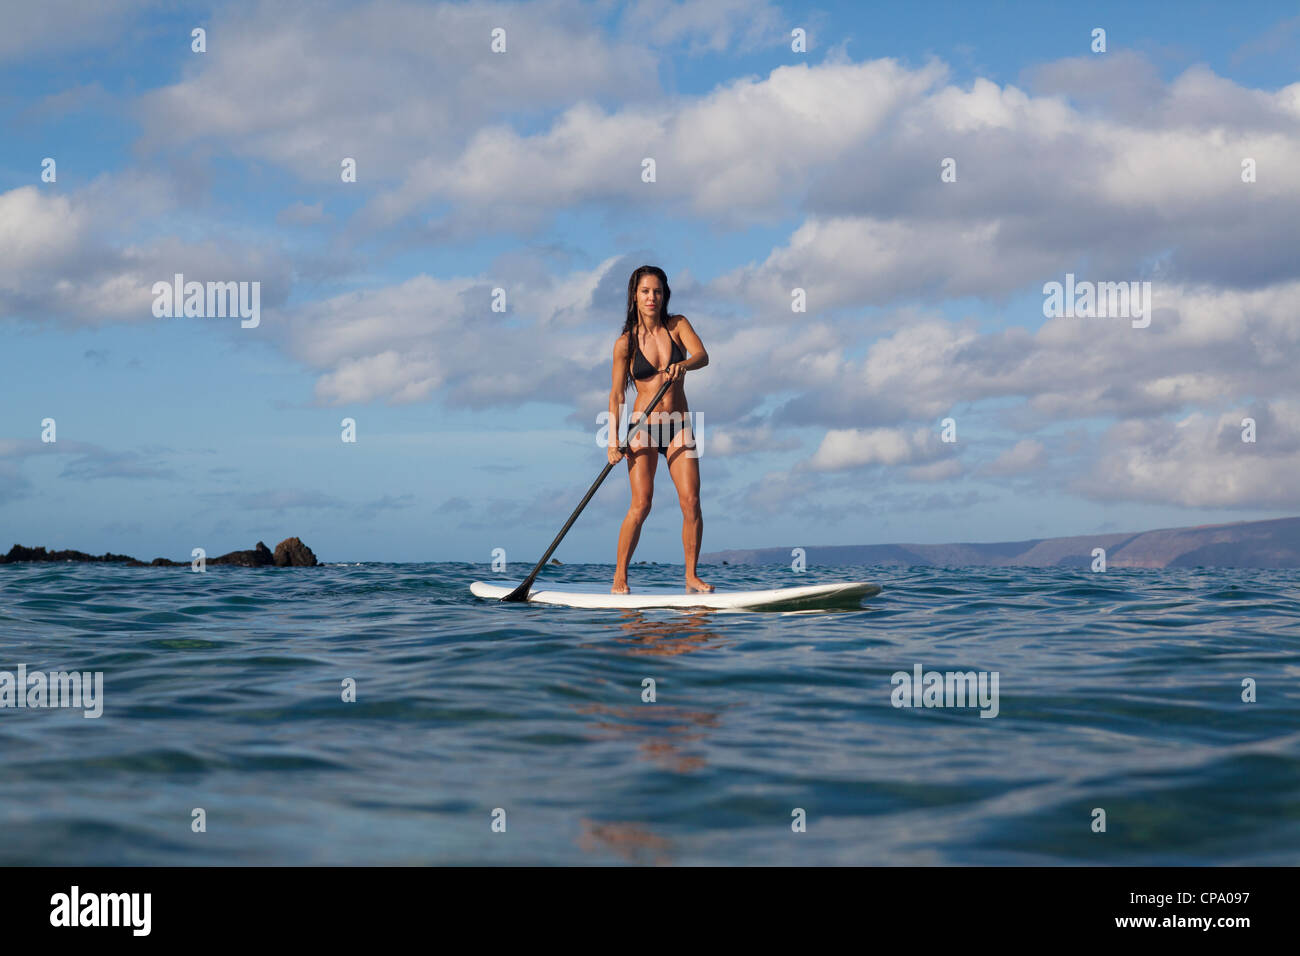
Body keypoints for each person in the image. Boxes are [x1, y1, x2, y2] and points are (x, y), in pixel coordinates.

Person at [608, 265, 713, 594]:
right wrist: (613, 440)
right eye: (645, 292)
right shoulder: (625, 344)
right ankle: (620, 577)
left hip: (679, 425)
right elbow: (616, 395)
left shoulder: (677, 325)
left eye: (657, 291)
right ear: (635, 297)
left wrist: (684, 364)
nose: (651, 297)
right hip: (643, 427)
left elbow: (702, 355)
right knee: (642, 504)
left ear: (664, 294)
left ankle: (691, 577)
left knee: (691, 501)